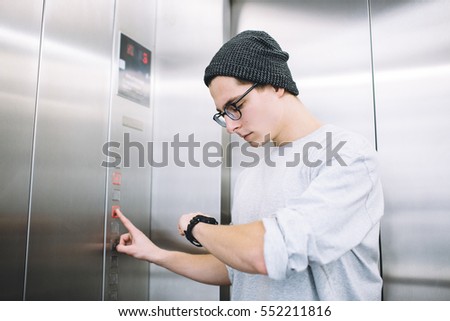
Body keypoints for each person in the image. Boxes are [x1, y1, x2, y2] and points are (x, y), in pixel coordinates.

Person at [115, 30, 384, 300]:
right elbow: (236, 267)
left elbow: (263, 253)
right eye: (223, 114)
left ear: (275, 84)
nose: (230, 126)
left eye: (236, 106)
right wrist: (157, 254)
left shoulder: (348, 156)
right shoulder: (252, 172)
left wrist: (195, 226)